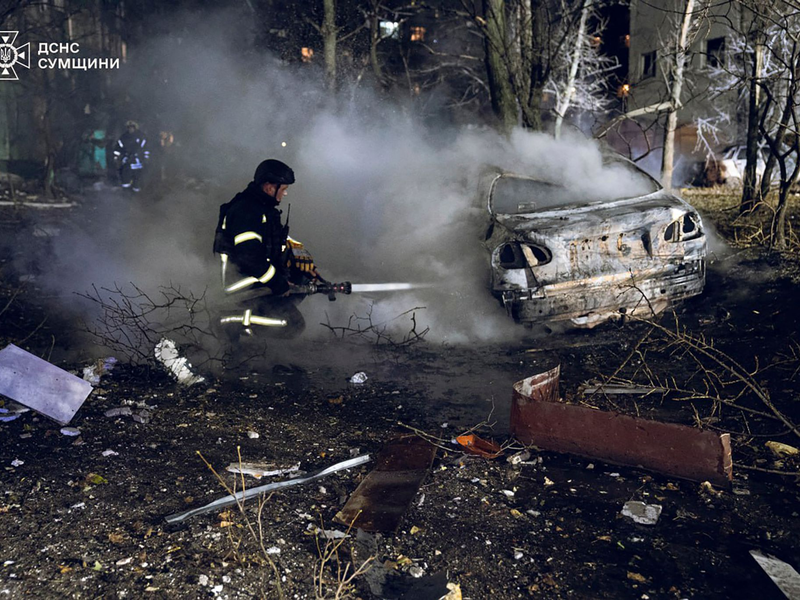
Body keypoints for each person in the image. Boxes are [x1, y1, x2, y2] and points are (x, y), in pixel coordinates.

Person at [213, 159, 321, 339]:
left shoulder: (262, 209)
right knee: (291, 324)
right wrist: (278, 283)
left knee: (302, 277)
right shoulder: (246, 211)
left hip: (256, 279)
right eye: (283, 189)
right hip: (241, 285)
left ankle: (264, 314)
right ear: (270, 187)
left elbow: (271, 242)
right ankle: (229, 321)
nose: (285, 193)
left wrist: (298, 256)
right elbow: (249, 258)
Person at [113, 120, 149, 192]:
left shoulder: (141, 137)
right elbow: (118, 149)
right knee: (125, 179)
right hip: (127, 162)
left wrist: (145, 158)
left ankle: (136, 193)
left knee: (137, 180)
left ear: (135, 128)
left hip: (138, 162)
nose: (130, 129)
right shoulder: (124, 137)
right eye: (129, 127)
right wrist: (116, 158)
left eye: (132, 127)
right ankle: (126, 193)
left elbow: (146, 149)